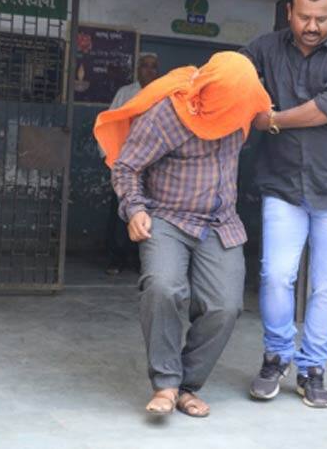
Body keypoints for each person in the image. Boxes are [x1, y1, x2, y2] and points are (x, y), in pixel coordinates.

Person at [93, 52, 271, 417]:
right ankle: (166, 384)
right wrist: (135, 209)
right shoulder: (168, 114)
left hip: (220, 222)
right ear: (210, 94)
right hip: (167, 217)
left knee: (226, 306)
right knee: (163, 287)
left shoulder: (242, 107)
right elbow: (126, 166)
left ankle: (188, 385)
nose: (238, 113)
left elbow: (265, 111)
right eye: (232, 105)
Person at [242, 0, 327, 408]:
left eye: (322, 18)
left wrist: (272, 119)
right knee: (276, 275)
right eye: (303, 17)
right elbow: (233, 77)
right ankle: (277, 356)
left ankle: (312, 367)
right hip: (282, 185)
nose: (311, 26)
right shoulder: (264, 48)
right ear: (288, 13)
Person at [104, 53, 159, 275]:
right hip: (124, 162)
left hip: (153, 163)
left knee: (149, 211)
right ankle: (115, 259)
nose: (149, 70)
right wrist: (108, 156)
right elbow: (109, 122)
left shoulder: (163, 93)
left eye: (153, 67)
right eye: (145, 66)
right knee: (120, 211)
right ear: (137, 69)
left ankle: (140, 260)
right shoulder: (125, 93)